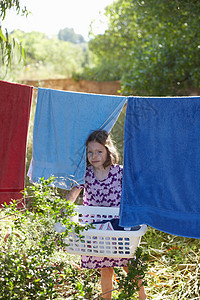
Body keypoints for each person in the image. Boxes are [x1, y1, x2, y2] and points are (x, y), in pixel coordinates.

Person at [66, 130, 147, 300]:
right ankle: (106, 298)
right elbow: (73, 193)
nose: (94, 156)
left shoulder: (119, 172)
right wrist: (63, 210)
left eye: (99, 151)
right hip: (97, 227)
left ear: (108, 151)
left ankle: (142, 297)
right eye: (90, 152)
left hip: (118, 225)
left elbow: (136, 190)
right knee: (105, 267)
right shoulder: (85, 174)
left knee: (128, 264)